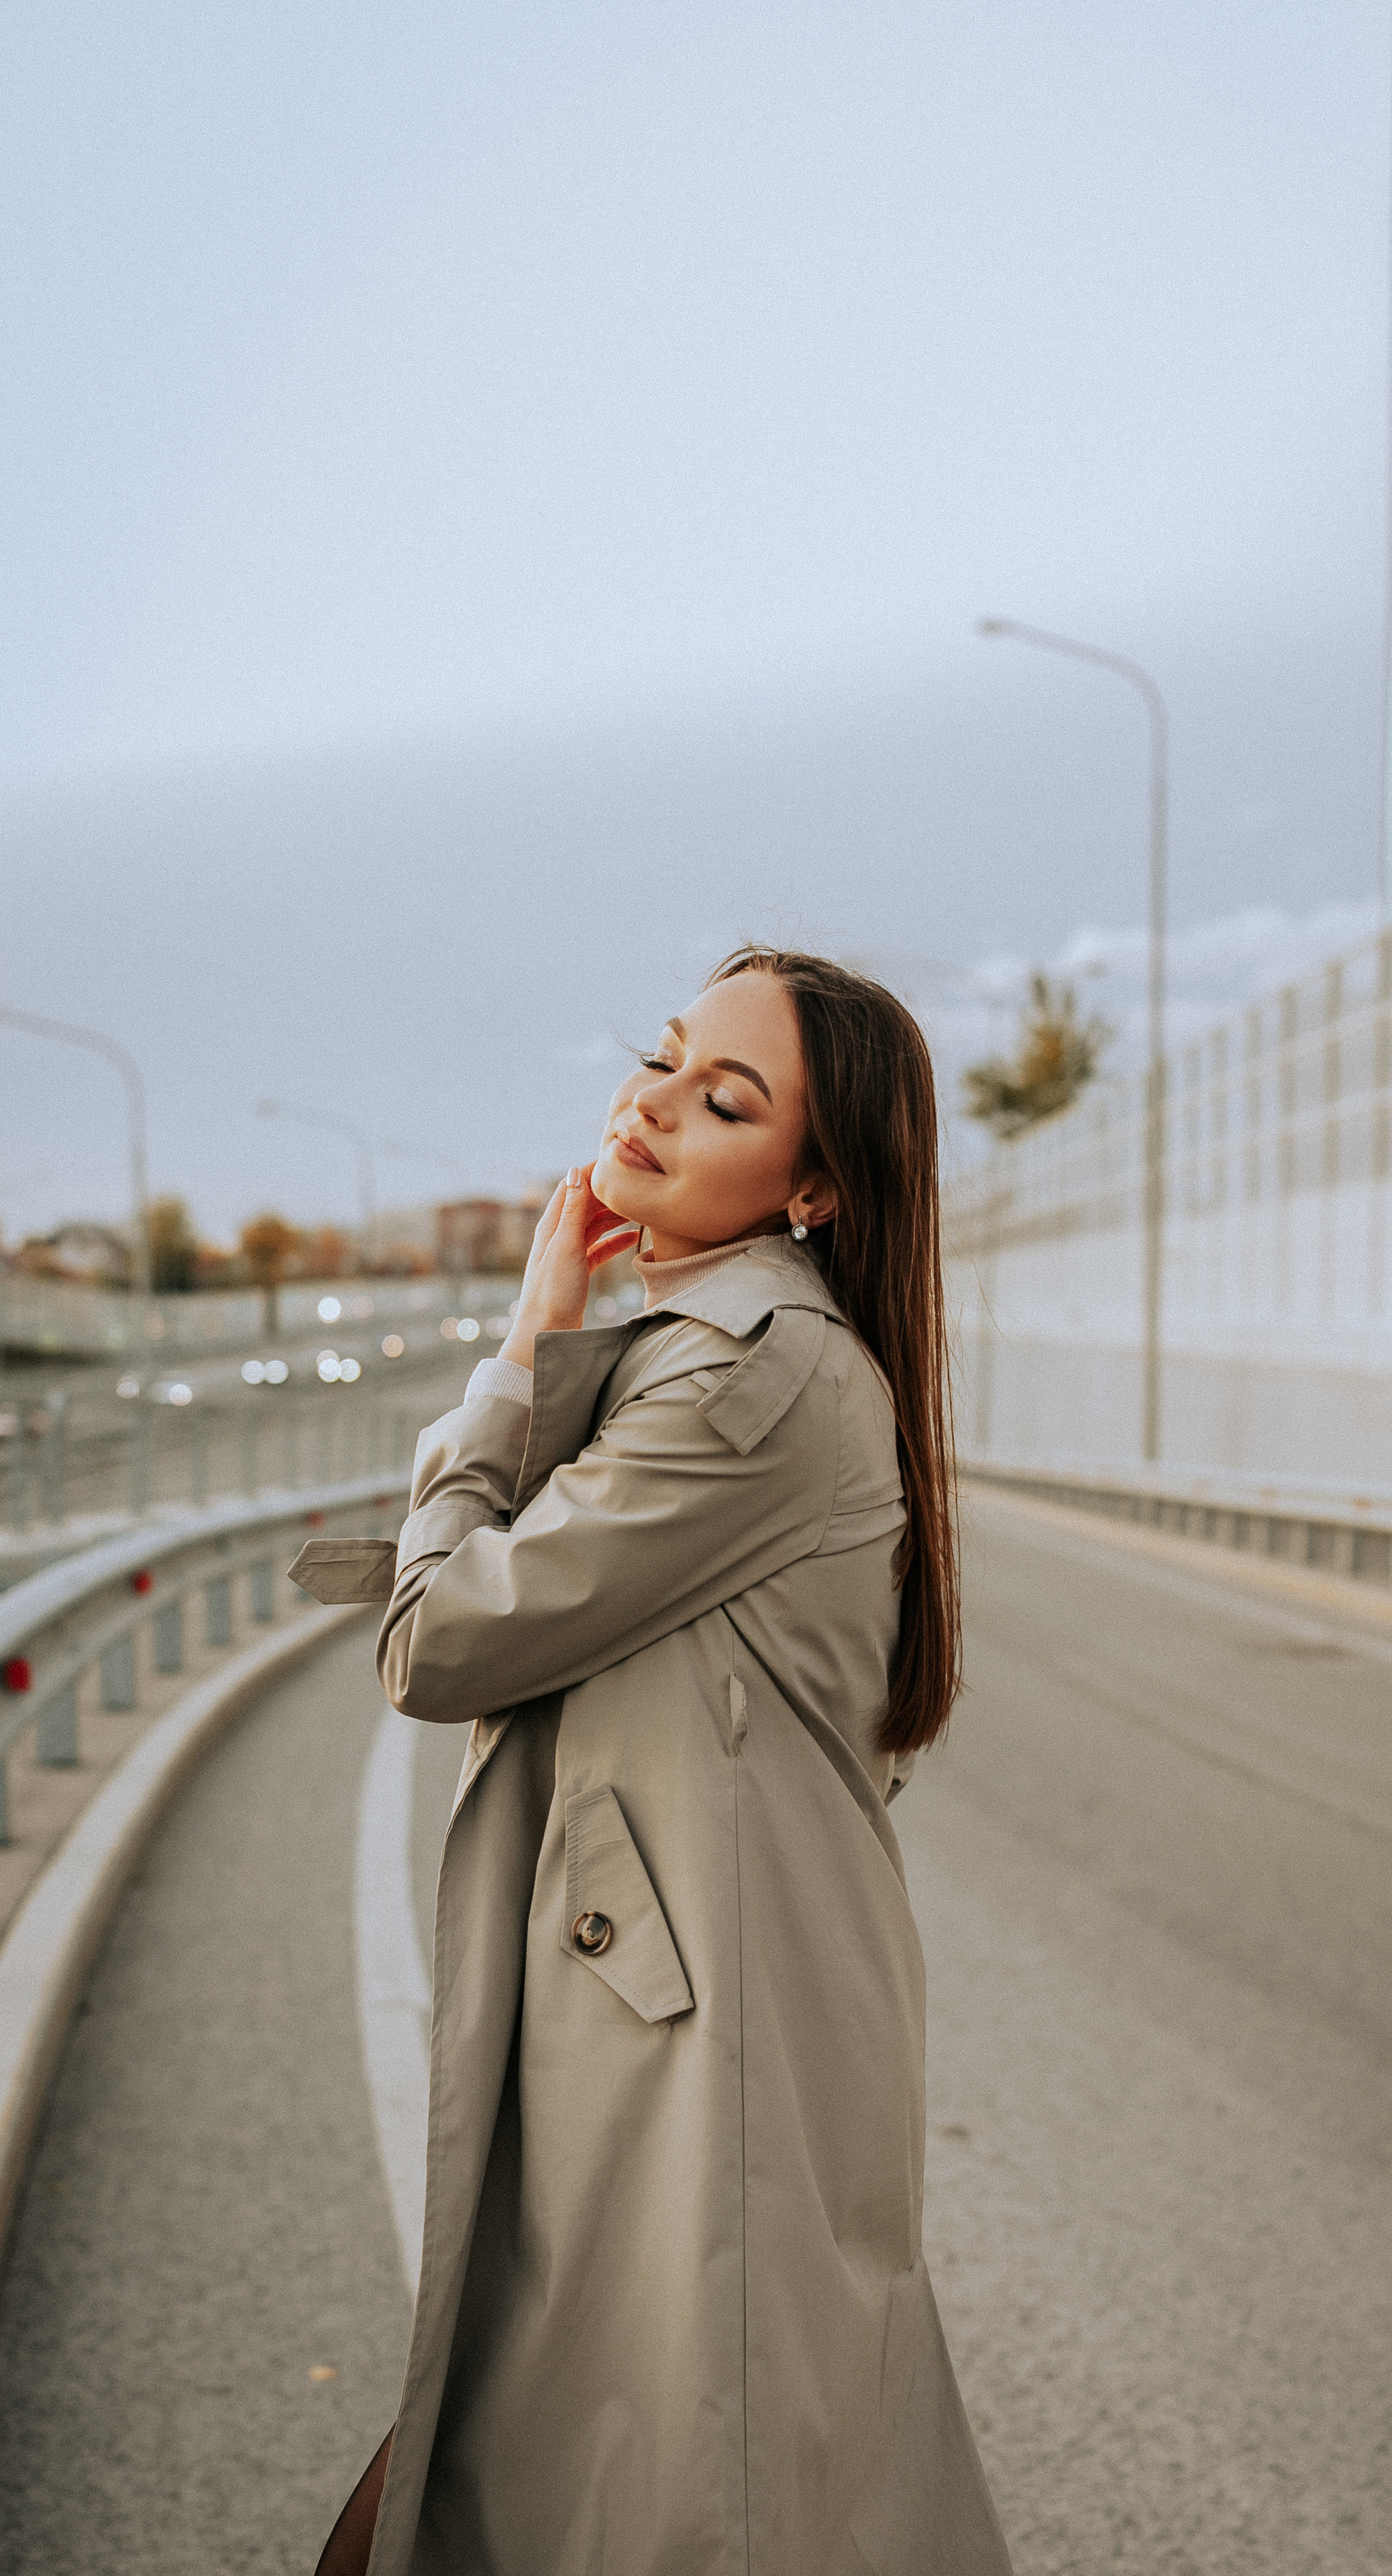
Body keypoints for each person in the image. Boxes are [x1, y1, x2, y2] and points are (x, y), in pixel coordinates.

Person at [297, 949, 1014, 2575]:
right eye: (665, 1059)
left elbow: (443, 1639)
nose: (655, 1103)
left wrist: (519, 1346)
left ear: (815, 1187)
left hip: (705, 2051)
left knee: (676, 2499)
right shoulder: (728, 1351)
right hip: (680, 2015)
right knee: (598, 2482)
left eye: (726, 1099)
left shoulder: (750, 1370)